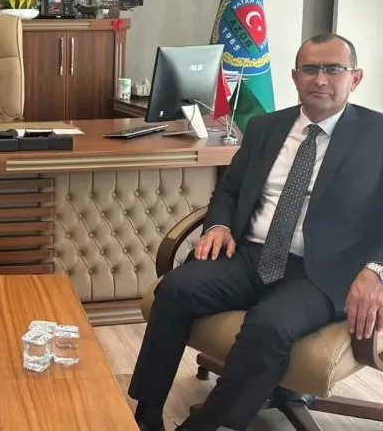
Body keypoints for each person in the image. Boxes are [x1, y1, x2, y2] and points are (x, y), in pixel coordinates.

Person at [128, 33, 383, 431]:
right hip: (251, 254)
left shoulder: (377, 135)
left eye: (334, 69)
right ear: (295, 77)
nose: (320, 79)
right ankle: (146, 414)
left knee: (269, 325)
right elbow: (229, 188)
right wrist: (218, 224)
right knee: (175, 289)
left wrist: (375, 269)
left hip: (322, 273)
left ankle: (206, 427)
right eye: (310, 69)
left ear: (356, 77)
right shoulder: (265, 126)